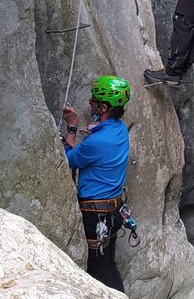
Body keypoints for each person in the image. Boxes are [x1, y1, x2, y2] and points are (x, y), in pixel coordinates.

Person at [61, 75, 131, 292]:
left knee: (98, 269)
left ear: (103, 107)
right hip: (113, 210)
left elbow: (66, 159)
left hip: (95, 217)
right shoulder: (119, 129)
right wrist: (93, 129)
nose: (89, 102)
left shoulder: (97, 142)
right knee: (108, 263)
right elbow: (100, 136)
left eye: (93, 100)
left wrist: (71, 128)